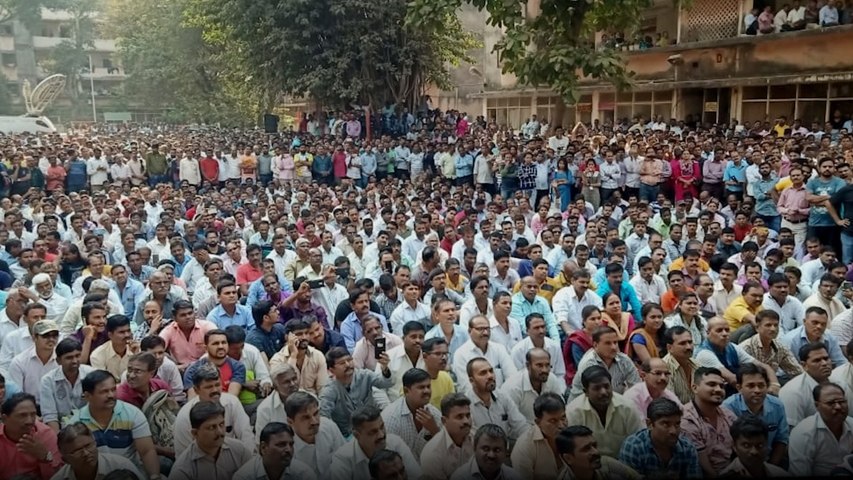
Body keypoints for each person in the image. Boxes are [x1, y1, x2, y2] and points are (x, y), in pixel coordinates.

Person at [68, 370, 161, 478]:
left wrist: (154, 476)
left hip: (129, 474)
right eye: (104, 392)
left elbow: (146, 451)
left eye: (113, 389)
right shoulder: (76, 424)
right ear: (87, 396)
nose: (111, 395)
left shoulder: (132, 414)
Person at [173, 366, 254, 457]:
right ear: (196, 390)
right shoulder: (185, 416)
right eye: (208, 387)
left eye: (217, 385)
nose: (215, 390)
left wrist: (248, 463)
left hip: (234, 460)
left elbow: (246, 436)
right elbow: (182, 454)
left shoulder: (232, 402)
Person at [565, 366, 643, 458]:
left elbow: (638, 442)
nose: (603, 392)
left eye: (606, 386)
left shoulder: (627, 407)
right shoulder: (573, 411)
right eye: (597, 388)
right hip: (589, 465)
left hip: (624, 463)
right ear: (585, 392)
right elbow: (572, 449)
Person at [721, 362, 789, 467]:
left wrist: (770, 468)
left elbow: (781, 440)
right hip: (738, 464)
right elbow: (728, 446)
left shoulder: (777, 405)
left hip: (770, 461)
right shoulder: (728, 408)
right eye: (751, 386)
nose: (757, 390)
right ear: (739, 388)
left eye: (761, 385)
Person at [329, 405, 422, 480]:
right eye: (373, 432)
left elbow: (417, 476)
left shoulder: (395, 443)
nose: (381, 435)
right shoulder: (343, 460)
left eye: (382, 427)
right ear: (357, 435)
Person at [319, 346, 394, 437]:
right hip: (347, 434)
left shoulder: (364, 375)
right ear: (331, 370)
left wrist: (385, 369)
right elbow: (323, 415)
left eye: (349, 360)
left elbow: (386, 383)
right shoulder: (330, 389)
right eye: (342, 363)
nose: (348, 365)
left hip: (372, 426)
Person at [168, 401, 253, 480]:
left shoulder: (240, 450)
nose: (220, 431)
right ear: (195, 433)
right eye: (212, 427)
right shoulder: (183, 470)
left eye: (221, 424)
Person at [618, 397, 701, 478]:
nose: (673, 431)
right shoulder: (634, 447)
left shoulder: (687, 448)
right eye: (666, 424)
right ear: (650, 424)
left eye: (677, 424)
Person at [680, 367, 737, 477]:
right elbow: (703, 466)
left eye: (721, 386)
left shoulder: (728, 415)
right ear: (695, 388)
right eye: (711, 384)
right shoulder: (686, 419)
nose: (719, 389)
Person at [380, 368, 442, 461]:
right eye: (421, 387)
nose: (427, 391)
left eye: (428, 386)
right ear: (406, 391)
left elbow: (446, 451)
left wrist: (434, 430)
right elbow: (387, 459)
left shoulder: (434, 413)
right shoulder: (391, 418)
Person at [51, 422, 145, 480]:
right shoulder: (59, 478)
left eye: (88, 446)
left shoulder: (122, 466)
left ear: (95, 443)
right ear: (65, 460)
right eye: (77, 451)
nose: (86, 453)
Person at [0, 392, 63, 478]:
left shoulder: (46, 435)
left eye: (33, 415)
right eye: (22, 415)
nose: (30, 421)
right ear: (4, 419)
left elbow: (59, 476)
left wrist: (45, 457)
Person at [568, 326, 640, 400]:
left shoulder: (624, 360)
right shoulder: (589, 364)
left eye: (615, 342)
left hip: (614, 404)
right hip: (585, 406)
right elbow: (598, 397)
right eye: (608, 343)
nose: (614, 347)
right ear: (595, 345)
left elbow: (636, 388)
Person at [464, 357, 528, 441]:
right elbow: (473, 440)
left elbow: (521, 426)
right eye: (483, 373)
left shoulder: (502, 396)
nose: (490, 376)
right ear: (472, 381)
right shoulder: (466, 405)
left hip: (504, 448)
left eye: (491, 371)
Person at [285, 391, 346, 476]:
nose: (314, 421)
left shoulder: (328, 426)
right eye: (306, 417)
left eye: (316, 413)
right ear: (290, 422)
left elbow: (345, 460)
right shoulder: (285, 447)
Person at [40, 337, 95, 431]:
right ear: (58, 361)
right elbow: (50, 416)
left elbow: (98, 407)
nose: (75, 361)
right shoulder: (48, 380)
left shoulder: (91, 374)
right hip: (62, 428)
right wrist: (58, 440)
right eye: (69, 357)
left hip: (90, 425)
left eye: (77, 356)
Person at [510, 392, 568, 479]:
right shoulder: (525, 446)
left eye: (563, 418)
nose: (561, 425)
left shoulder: (573, 436)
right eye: (553, 421)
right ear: (538, 422)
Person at [500, 348, 566, 424]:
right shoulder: (512, 387)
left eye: (547, 365)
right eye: (539, 365)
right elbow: (510, 422)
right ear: (528, 366)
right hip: (521, 432)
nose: (545, 370)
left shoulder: (551, 378)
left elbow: (560, 408)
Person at [419, 393, 475, 480]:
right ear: (444, 421)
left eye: (468, 415)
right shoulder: (432, 454)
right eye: (459, 417)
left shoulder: (478, 439)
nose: (466, 421)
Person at [453, 314, 517, 390]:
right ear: (469, 331)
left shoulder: (499, 349)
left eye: (487, 329)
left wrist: (500, 397)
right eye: (480, 329)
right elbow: (467, 386)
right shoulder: (460, 354)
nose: (485, 333)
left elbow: (512, 377)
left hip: (502, 397)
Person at [555, 425, 641, 480]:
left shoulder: (608, 464)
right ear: (568, 458)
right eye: (586, 449)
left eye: (594, 445)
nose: (595, 452)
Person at [779, 342, 834, 428]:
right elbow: (793, 431)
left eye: (826, 358)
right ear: (804, 365)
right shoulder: (794, 392)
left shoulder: (839, 384)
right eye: (817, 360)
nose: (824, 363)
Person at [268, 319, 329, 395]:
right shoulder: (277, 360)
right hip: (288, 402)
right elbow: (284, 390)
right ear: (287, 337)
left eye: (306, 333)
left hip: (313, 402)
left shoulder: (317, 355)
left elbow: (323, 388)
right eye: (299, 334)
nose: (304, 337)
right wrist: (293, 355)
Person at [719, 415, 791, 478]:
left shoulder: (779, 473)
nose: (754, 451)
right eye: (746, 445)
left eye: (760, 445)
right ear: (734, 446)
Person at [449, 424, 522, 480]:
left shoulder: (513, 477)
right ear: (474, 448)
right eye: (486, 449)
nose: (491, 455)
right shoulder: (460, 477)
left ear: (506, 453)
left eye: (497, 450)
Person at [622, 357, 681, 422]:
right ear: (643, 375)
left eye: (666, 374)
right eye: (658, 373)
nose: (663, 378)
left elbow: (682, 416)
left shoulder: (668, 395)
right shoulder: (632, 397)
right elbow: (639, 428)